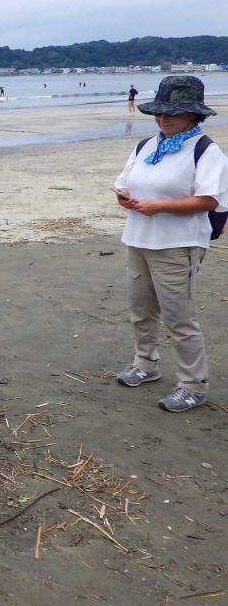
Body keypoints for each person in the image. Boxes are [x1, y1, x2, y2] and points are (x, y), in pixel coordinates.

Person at [113, 75, 228, 412]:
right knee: (141, 308)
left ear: (194, 114)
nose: (164, 119)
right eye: (160, 112)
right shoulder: (145, 146)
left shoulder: (205, 150)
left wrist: (160, 206)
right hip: (138, 238)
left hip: (177, 245)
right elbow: (124, 183)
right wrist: (124, 197)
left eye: (173, 113)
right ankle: (145, 363)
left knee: (179, 317)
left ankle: (193, 384)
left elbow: (209, 200)